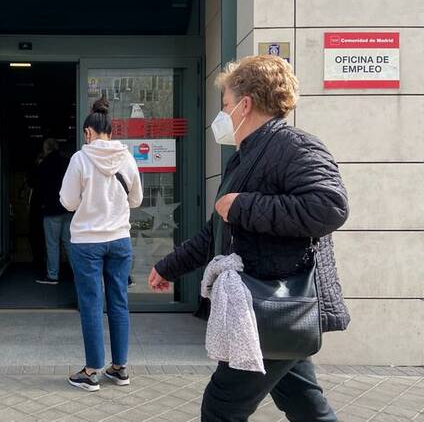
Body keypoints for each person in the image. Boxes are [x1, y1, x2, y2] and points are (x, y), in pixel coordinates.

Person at [148, 55, 350, 421]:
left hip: (274, 302)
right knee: (303, 401)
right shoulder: (245, 156)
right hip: (272, 306)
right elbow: (218, 229)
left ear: (245, 104)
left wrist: (243, 205)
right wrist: (168, 267)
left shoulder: (294, 146)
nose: (222, 115)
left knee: (221, 405)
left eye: (225, 104)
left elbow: (329, 207)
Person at [60, 97, 143, 391]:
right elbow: (136, 200)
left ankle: (91, 371)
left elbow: (68, 202)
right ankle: (119, 368)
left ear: (88, 132)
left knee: (92, 304)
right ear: (110, 131)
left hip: (87, 242)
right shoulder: (127, 158)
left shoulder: (80, 159)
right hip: (119, 240)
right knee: (119, 301)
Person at [35, 138, 72, 285]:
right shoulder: (68, 162)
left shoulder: (44, 164)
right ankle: (79, 273)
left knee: (52, 244)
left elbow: (38, 187)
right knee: (69, 243)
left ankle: (53, 275)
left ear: (46, 149)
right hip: (68, 208)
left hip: (51, 210)